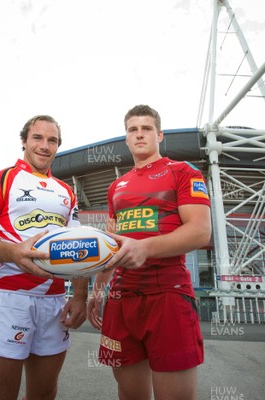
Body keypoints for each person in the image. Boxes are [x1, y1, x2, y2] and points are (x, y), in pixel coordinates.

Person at [0, 115, 88, 400]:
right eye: (37, 138)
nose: (44, 145)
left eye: (52, 140)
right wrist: (13, 252)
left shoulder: (67, 192)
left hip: (55, 302)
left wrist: (79, 296)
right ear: (24, 142)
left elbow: (77, 248)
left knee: (44, 394)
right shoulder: (0, 179)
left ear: (58, 146)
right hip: (10, 299)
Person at [87, 105, 211, 400]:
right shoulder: (117, 186)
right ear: (126, 139)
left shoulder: (182, 172)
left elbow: (199, 231)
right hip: (122, 296)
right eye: (133, 129)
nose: (139, 134)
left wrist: (145, 248)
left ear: (160, 135)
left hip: (167, 291)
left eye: (146, 128)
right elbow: (112, 243)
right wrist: (98, 288)